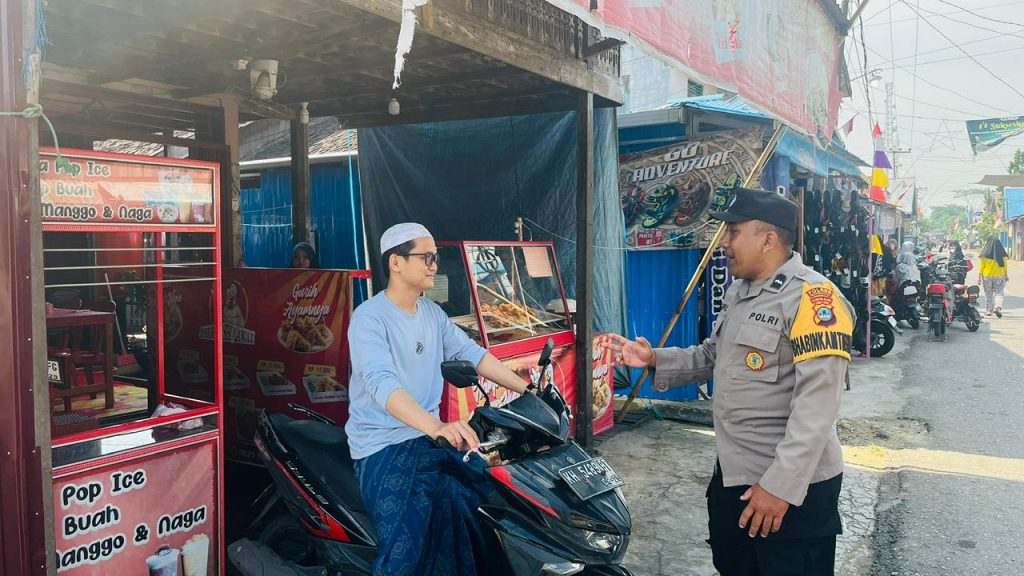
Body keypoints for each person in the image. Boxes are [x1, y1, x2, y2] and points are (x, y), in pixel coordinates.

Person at [609, 187, 854, 576]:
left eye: (734, 232)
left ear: (768, 239)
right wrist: (654, 358)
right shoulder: (741, 292)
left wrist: (779, 487)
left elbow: (817, 407)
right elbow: (713, 355)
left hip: (791, 489)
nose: (724, 243)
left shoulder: (814, 300)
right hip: (734, 474)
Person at [346, 222, 531, 576]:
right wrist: (437, 426)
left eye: (436, 257)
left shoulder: (432, 314)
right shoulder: (369, 318)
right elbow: (382, 384)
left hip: (428, 439)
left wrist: (528, 391)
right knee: (406, 549)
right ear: (396, 262)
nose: (434, 265)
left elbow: (474, 355)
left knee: (479, 500)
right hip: (383, 446)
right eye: (426, 257)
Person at [978, 236, 1009, 318]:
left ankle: (989, 310)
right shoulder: (1002, 254)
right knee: (999, 292)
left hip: (987, 275)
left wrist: (979, 277)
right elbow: (1005, 265)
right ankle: (997, 307)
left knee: (988, 293)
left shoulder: (985, 253)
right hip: (999, 275)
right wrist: (1006, 275)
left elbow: (982, 267)